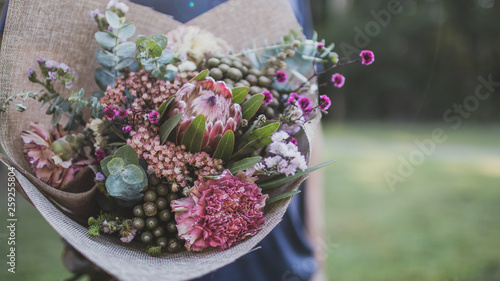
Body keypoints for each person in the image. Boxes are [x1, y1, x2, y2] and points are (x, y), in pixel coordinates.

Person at [0, 1, 326, 280]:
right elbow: (23, 102)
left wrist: (316, 254)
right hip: (141, 261)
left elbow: (308, 127)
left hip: (278, 257)